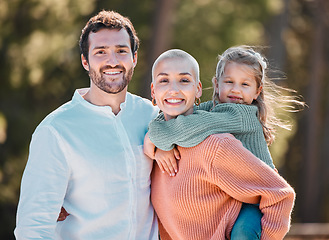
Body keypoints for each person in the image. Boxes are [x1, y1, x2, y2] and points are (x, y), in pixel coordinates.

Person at [14, 10, 159, 239]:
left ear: (134, 58)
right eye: (101, 52)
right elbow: (33, 227)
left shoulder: (152, 115)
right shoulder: (56, 130)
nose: (112, 61)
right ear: (85, 61)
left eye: (121, 51)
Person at [146, 48, 296, 239]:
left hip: (257, 194)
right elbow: (190, 115)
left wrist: (152, 137)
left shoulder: (239, 115)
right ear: (216, 85)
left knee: (243, 233)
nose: (236, 90)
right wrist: (157, 147)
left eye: (245, 84)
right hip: (241, 189)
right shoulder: (216, 110)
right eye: (229, 82)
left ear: (257, 91)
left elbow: (188, 125)